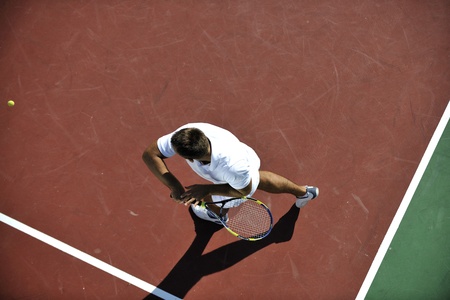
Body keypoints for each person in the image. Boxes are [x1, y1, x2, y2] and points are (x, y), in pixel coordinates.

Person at [142, 123, 319, 224]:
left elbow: (242, 191)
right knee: (260, 178)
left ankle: (218, 215)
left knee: (212, 199)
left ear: (189, 158)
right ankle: (305, 192)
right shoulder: (189, 133)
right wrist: (175, 186)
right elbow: (150, 154)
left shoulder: (233, 167)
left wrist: (207, 190)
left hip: (238, 179)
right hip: (243, 161)